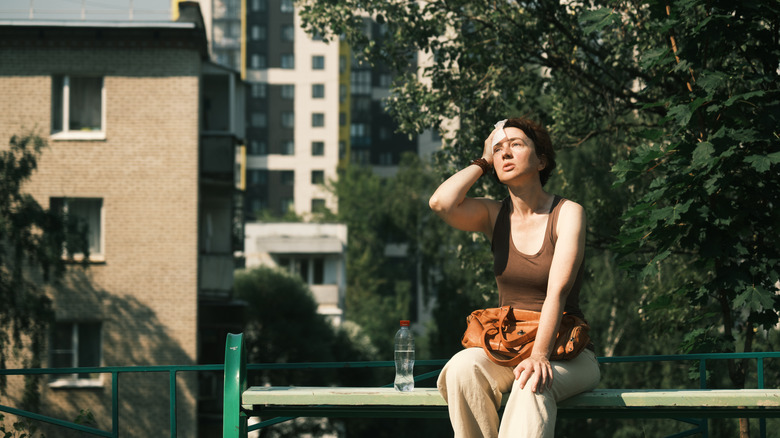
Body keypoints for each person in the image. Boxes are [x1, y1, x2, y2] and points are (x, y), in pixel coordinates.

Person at [429, 118, 600, 438]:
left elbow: (557, 292)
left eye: (516, 144)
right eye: (498, 149)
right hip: (509, 345)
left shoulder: (568, 213)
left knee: (531, 383)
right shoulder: (493, 215)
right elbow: (441, 202)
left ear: (541, 161)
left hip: (566, 352)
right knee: (462, 368)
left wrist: (539, 355)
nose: (505, 153)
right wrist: (482, 160)